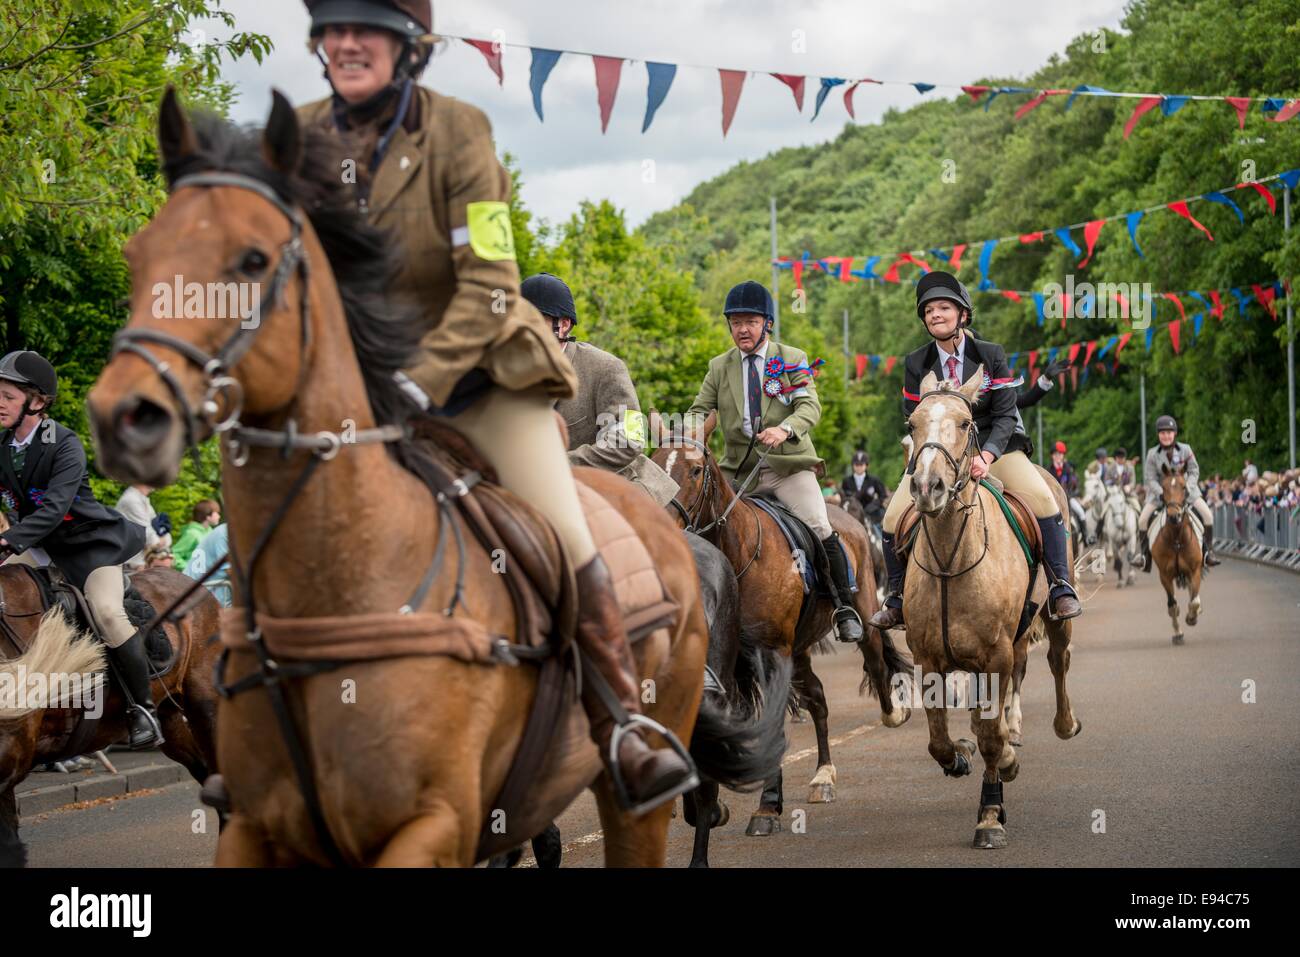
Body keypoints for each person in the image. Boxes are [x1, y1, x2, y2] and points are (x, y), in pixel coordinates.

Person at [294, 0, 692, 812]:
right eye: (331, 27)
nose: (344, 42)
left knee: (565, 530)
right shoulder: (299, 136)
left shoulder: (461, 132)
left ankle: (622, 720)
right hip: (351, 396)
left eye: (362, 27)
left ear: (408, 47)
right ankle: (261, 731)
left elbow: (487, 283)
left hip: (476, 385)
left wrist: (418, 381)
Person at [869, 271, 1081, 629]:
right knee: (891, 518)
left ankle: (1060, 587)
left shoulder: (990, 354)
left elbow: (1004, 413)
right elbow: (912, 415)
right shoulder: (915, 363)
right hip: (941, 450)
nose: (935, 314)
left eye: (943, 308)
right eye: (929, 310)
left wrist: (986, 456)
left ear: (963, 314)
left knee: (1045, 501)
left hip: (995, 446)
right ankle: (896, 597)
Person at [686, 280, 864, 643]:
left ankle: (844, 604)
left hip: (787, 468)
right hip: (739, 472)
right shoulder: (719, 367)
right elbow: (699, 410)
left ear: (767, 323)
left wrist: (785, 429)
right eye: (735, 322)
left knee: (817, 522)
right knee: (697, 525)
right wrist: (688, 434)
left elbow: (809, 406)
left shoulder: (792, 359)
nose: (742, 329)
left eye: (750, 321)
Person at [0, 351, 162, 748]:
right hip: (41, 545)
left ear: (36, 402)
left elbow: (55, 508)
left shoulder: (64, 443)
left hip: (89, 547)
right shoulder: (2, 445)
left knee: (107, 612)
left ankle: (142, 709)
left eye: (6, 395)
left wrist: (7, 540)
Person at [521, 272, 678, 506]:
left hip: (615, 488)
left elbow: (630, 440)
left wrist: (559, 466)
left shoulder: (606, 367)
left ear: (563, 325)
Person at [1135, 414, 1219, 571]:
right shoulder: (1152, 454)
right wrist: (1161, 493)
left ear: (1174, 433)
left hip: (1186, 492)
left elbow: (1194, 470)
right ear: (1158, 435)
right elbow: (1150, 478)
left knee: (1208, 515)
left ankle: (1208, 553)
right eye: (1162, 433)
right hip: (1160, 495)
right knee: (1142, 520)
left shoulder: (1186, 449)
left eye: (1169, 432)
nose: (1166, 436)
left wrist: (1188, 486)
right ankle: (1145, 557)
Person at [115, 482, 169, 571]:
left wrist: (162, 539)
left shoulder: (141, 499)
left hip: (138, 564)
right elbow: (151, 540)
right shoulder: (132, 500)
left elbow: (159, 531)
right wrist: (162, 540)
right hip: (126, 566)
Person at [840, 450, 888, 526]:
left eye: (861, 465)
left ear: (866, 466)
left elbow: (883, 495)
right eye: (856, 465)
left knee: (881, 520)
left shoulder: (874, 480)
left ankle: (880, 537)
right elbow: (844, 496)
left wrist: (873, 506)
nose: (859, 467)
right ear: (853, 465)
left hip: (871, 512)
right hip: (852, 512)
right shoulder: (846, 481)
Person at [171, 499, 221, 570]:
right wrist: (189, 568)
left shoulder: (211, 532)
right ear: (207, 516)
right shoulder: (192, 534)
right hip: (192, 579)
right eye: (217, 513)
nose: (219, 516)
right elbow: (174, 554)